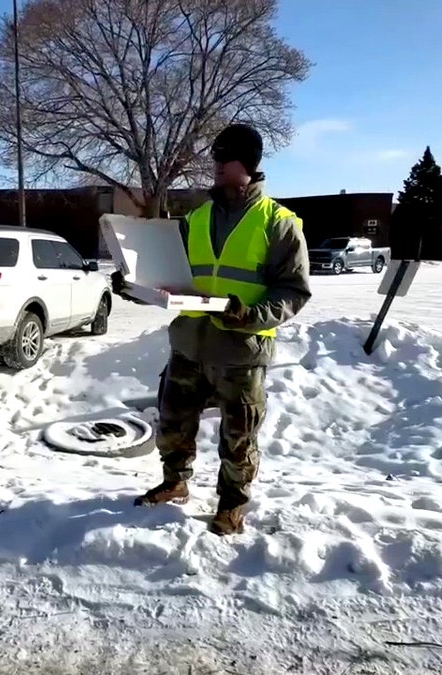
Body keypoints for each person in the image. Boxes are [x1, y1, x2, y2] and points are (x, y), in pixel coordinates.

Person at [118, 123, 312, 536]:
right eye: (216, 157)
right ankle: (175, 483)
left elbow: (294, 292)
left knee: (238, 439)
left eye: (225, 158)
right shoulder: (196, 218)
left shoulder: (278, 223)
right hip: (190, 344)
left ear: (248, 163)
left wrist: (250, 315)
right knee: (172, 425)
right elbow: (167, 272)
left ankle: (231, 506)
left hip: (240, 351)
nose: (217, 165)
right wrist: (135, 283)